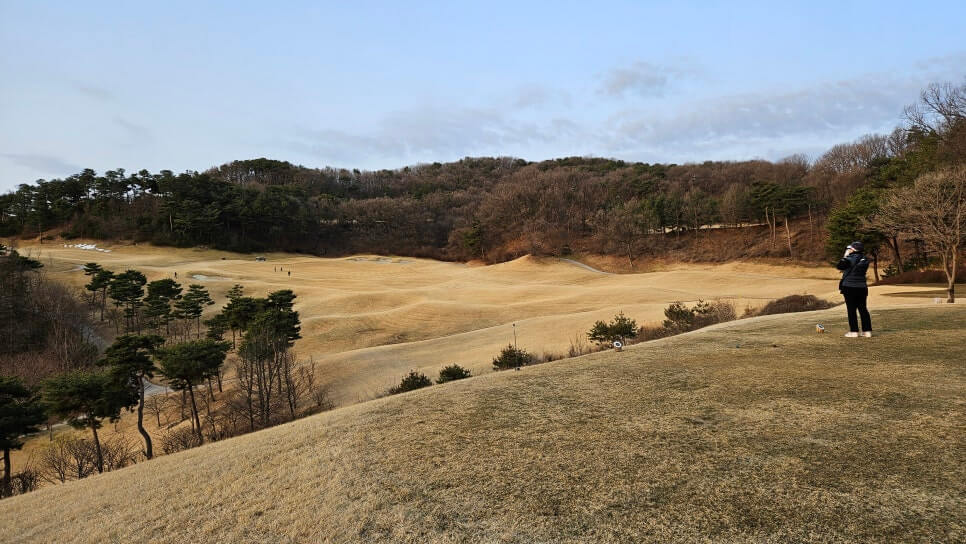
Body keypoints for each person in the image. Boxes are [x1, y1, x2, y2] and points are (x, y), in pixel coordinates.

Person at [836, 241, 872, 337]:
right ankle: (867, 331)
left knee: (851, 310)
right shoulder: (865, 259)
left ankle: (854, 331)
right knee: (863, 309)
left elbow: (839, 266)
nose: (849, 250)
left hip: (849, 287)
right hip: (862, 287)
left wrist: (845, 256)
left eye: (850, 248)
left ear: (853, 249)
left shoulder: (849, 259)